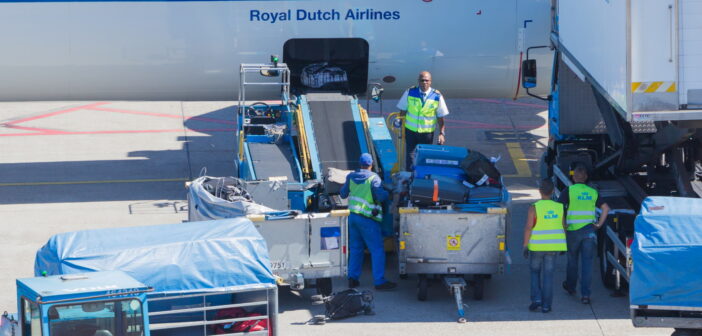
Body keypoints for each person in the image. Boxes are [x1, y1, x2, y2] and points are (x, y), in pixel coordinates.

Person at [340, 153, 397, 291]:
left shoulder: (351, 176)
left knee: (356, 249)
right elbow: (380, 196)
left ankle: (353, 279)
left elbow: (343, 194)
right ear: (371, 164)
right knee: (377, 250)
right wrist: (389, 192)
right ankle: (379, 281)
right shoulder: (374, 178)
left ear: (360, 164)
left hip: (353, 217)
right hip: (368, 218)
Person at [559, 164, 610, 304]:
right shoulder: (593, 192)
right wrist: (599, 224)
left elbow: (559, 208)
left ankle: (570, 287)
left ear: (574, 177)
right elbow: (606, 208)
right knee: (587, 264)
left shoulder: (568, 191)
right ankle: (585, 295)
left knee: (572, 260)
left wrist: (564, 224)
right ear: (586, 177)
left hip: (573, 231)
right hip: (589, 231)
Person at [523, 179, 567, 313]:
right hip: (553, 247)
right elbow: (564, 226)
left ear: (539, 191)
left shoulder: (534, 207)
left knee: (535, 272)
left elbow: (528, 228)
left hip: (536, 247)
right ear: (553, 191)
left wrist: (525, 245)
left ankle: (536, 299)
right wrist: (564, 244)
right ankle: (547, 305)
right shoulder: (559, 207)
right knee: (548, 275)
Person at [397, 71, 449, 170]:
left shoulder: (437, 96)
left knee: (424, 157)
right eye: (422, 80)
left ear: (430, 82)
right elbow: (403, 110)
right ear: (418, 81)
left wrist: (442, 133)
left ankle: (421, 178)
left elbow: (440, 117)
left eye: (427, 80)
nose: (424, 82)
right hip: (410, 131)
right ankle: (410, 177)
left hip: (427, 134)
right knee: (410, 157)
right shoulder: (410, 92)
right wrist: (399, 124)